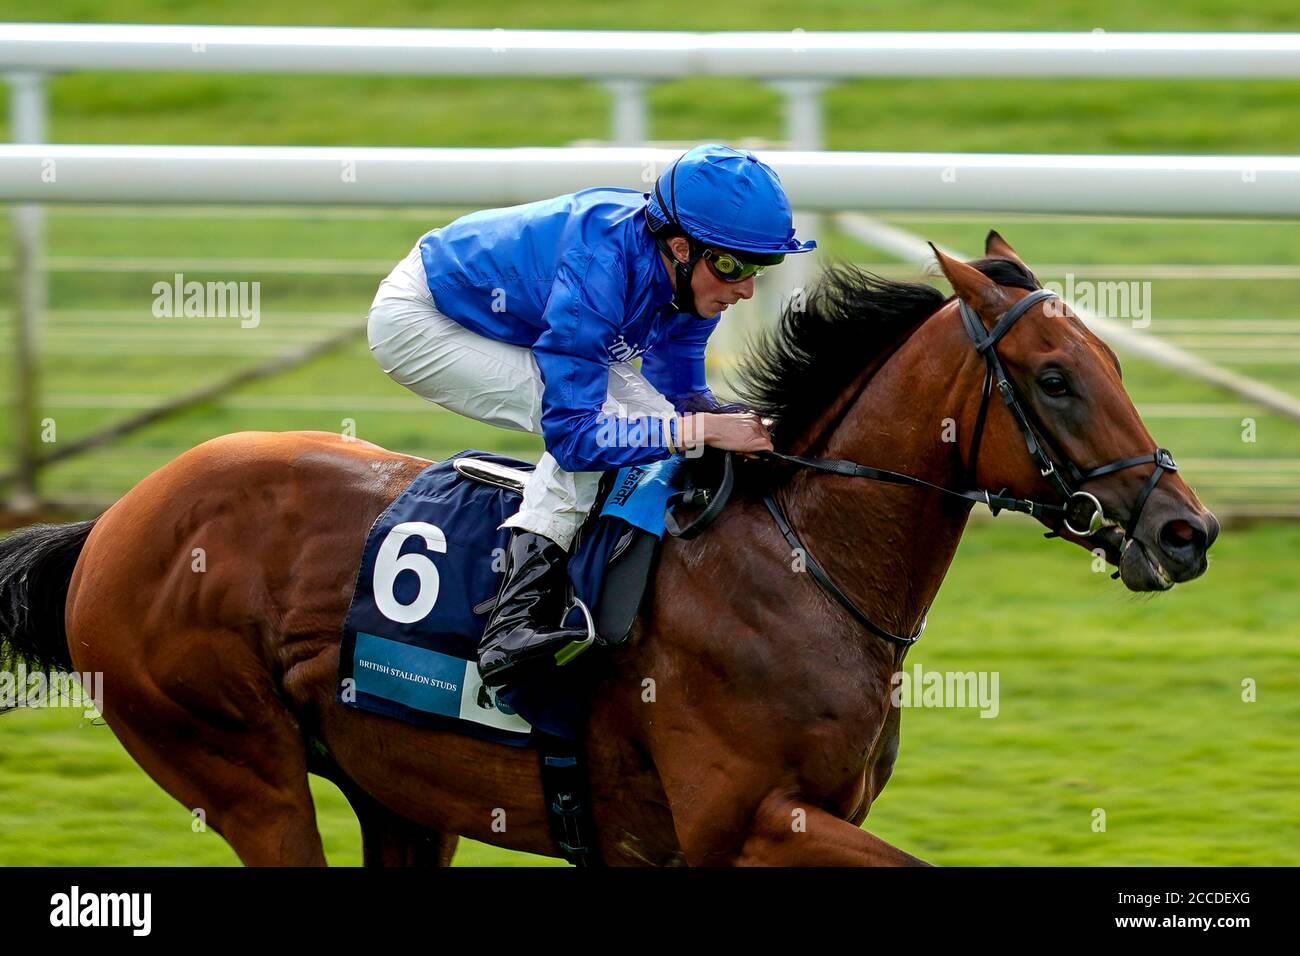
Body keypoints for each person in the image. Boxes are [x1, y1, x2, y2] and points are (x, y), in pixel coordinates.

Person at [366, 143, 816, 687]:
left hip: (502, 307)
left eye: (760, 268)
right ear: (679, 247)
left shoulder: (688, 282)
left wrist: (731, 423)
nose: (745, 288)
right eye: (731, 266)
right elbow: (576, 436)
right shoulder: (599, 269)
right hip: (422, 321)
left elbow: (679, 392)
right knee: (610, 415)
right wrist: (696, 429)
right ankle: (511, 623)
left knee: (655, 419)